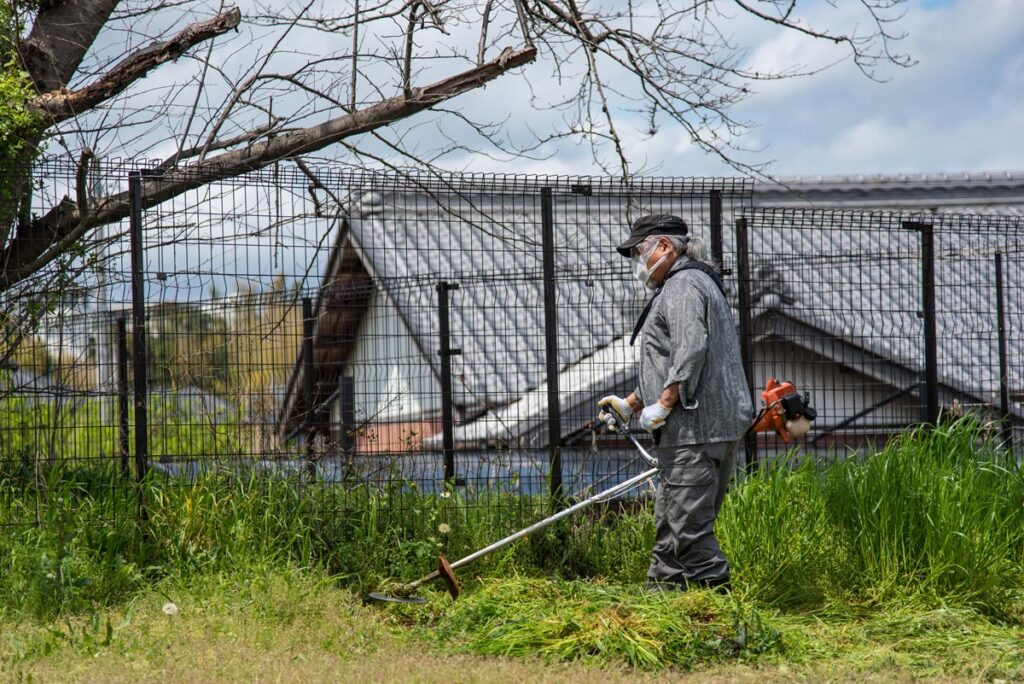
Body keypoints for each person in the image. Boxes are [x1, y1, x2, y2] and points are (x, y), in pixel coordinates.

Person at [598, 214, 751, 592]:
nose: (638, 262)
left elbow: (691, 347)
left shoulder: (682, 285)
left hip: (694, 430)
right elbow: (671, 358)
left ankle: (726, 622)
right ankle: (659, 609)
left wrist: (665, 403)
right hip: (702, 427)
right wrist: (632, 404)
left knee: (689, 532)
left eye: (640, 251)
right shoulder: (694, 282)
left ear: (665, 246)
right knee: (670, 531)